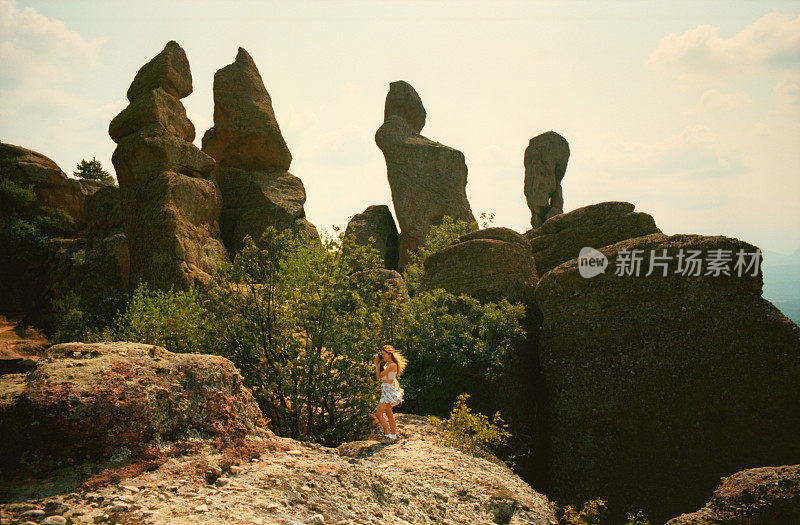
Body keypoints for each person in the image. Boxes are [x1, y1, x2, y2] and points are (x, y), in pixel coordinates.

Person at [374, 344, 407, 444]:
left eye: (384, 354)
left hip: (387, 390)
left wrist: (376, 364)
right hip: (386, 389)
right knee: (389, 414)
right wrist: (379, 364)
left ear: (389, 354)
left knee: (378, 414)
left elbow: (379, 376)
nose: (382, 356)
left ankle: (388, 435)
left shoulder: (392, 365)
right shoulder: (388, 364)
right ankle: (393, 436)